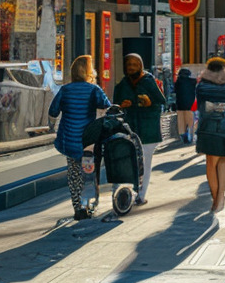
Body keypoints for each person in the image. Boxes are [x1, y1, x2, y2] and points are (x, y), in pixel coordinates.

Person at [50, 55, 111, 220]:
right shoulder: (94, 89)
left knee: (73, 173)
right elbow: (107, 106)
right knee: (89, 172)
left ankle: (77, 207)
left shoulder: (65, 90)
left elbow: (53, 111)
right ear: (88, 71)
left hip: (69, 139)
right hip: (88, 141)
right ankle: (88, 204)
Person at [113, 53, 167, 206]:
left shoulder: (149, 81)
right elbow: (114, 106)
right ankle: (130, 191)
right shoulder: (121, 85)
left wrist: (148, 103)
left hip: (148, 130)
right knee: (129, 163)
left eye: (134, 65)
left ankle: (141, 195)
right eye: (128, 65)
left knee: (145, 162)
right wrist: (121, 106)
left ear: (141, 66)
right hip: (129, 130)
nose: (131, 68)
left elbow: (161, 102)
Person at [194, 57, 225, 212]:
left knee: (210, 163)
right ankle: (220, 197)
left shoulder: (201, 85)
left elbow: (201, 105)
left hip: (207, 126)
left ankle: (216, 199)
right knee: (223, 163)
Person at [173, 66, 197, 144]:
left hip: (180, 105)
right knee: (190, 122)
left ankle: (183, 135)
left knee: (181, 122)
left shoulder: (177, 82)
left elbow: (174, 92)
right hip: (190, 105)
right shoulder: (193, 82)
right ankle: (190, 135)